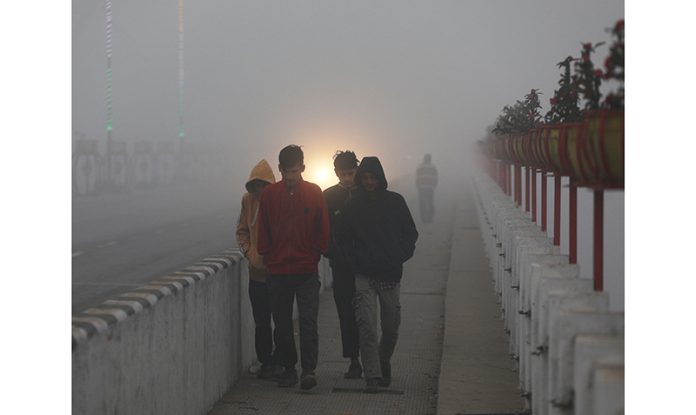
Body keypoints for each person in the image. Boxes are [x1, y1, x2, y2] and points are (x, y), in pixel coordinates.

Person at [336, 156, 418, 393]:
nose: (369, 182)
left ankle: (383, 362)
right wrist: (354, 260)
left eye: (373, 178)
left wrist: (398, 256)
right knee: (367, 326)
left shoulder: (395, 202)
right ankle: (372, 375)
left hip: (390, 275)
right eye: (366, 178)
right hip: (363, 275)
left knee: (391, 328)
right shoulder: (353, 205)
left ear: (380, 178)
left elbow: (410, 233)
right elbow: (341, 239)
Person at [257, 145, 330, 390]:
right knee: (283, 324)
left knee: (308, 321)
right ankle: (289, 368)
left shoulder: (313, 193)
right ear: (280, 170)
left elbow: (323, 229)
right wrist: (268, 256)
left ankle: (308, 370)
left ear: (302, 169)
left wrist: (314, 253)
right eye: (286, 172)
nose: (290, 177)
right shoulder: (269, 195)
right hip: (278, 271)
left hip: (306, 270)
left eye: (294, 171)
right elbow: (263, 230)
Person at [236, 159, 282, 380]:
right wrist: (250, 254)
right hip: (257, 275)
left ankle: (281, 362)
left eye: (264, 185)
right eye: (257, 185)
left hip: (281, 273)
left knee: (281, 321)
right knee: (262, 321)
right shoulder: (248, 201)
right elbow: (242, 231)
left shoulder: (282, 200)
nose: (260, 190)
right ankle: (265, 361)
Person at [322, 150, 362, 379]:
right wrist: (330, 252)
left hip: (366, 265)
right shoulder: (329, 197)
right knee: (346, 314)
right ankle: (354, 360)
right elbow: (322, 230)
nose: (346, 178)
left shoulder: (367, 194)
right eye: (342, 174)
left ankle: (368, 358)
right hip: (340, 266)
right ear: (335, 173)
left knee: (365, 314)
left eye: (350, 173)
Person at [415, 153, 438, 223]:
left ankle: (423, 219)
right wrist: (434, 186)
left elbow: (417, 178)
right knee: (430, 203)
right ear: (430, 159)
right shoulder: (433, 167)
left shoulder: (420, 167)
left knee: (422, 203)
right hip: (430, 188)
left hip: (421, 188)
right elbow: (436, 178)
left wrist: (418, 186)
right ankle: (430, 218)